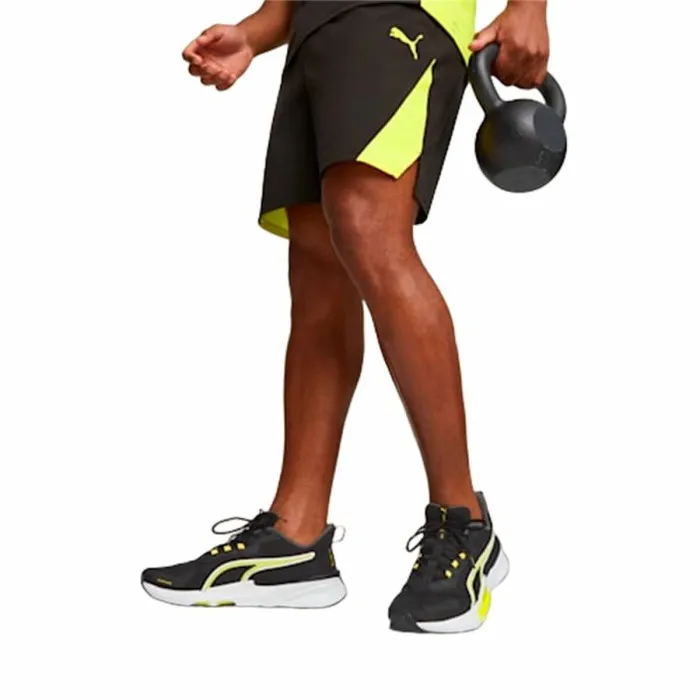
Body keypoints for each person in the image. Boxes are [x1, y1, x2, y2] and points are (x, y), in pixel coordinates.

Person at [142, 0, 550, 634]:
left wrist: (529, 6)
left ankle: (464, 522)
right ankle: (295, 537)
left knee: (367, 228)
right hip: (319, 26)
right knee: (318, 264)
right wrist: (254, 33)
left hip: (400, 14)